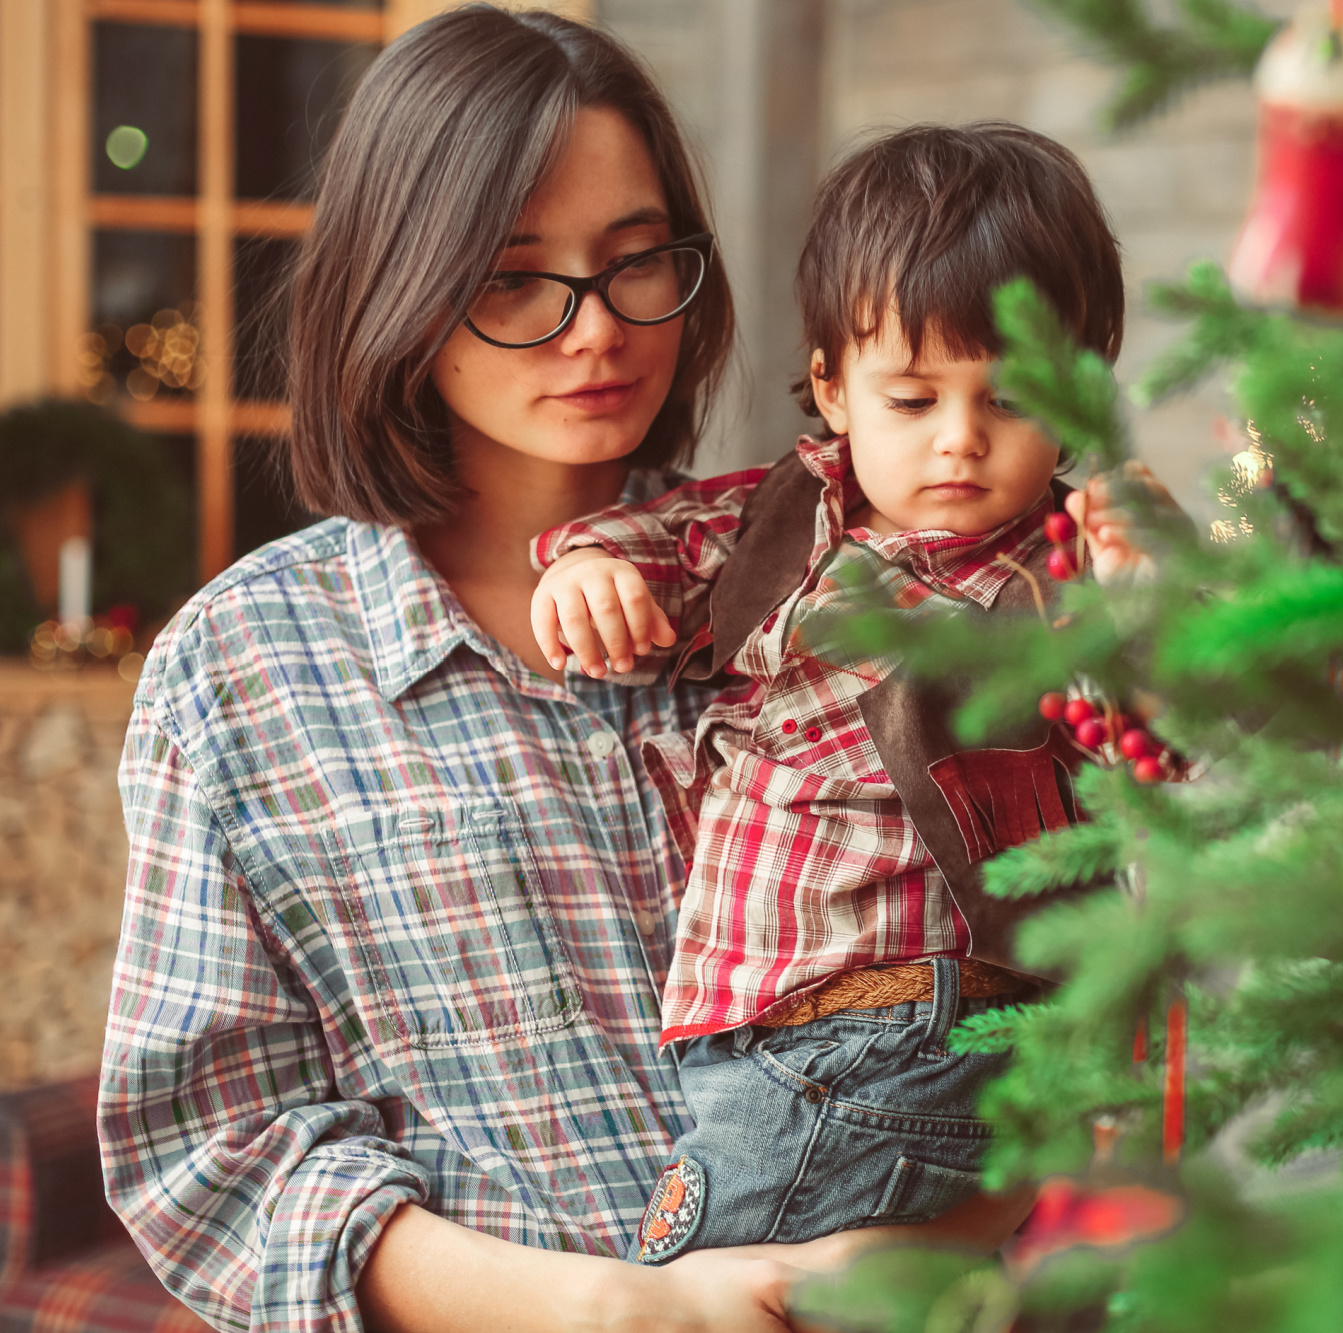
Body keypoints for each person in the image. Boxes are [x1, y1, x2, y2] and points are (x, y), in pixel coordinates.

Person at [100, 13, 1014, 1333]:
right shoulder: (245, 670)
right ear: (401, 284)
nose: (598, 330)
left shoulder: (829, 589)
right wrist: (607, 1307)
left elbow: (1026, 978)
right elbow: (218, 1153)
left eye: (641, 261)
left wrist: (957, 1242)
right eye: (518, 277)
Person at [527, 122, 1174, 1264]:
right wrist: (587, 569)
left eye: (1011, 403)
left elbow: (1156, 738)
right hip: (764, 1026)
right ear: (831, 386)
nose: (960, 444)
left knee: (687, 1280)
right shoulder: (783, 514)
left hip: (906, 1023)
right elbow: (659, 538)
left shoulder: (1056, 567)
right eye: (914, 402)